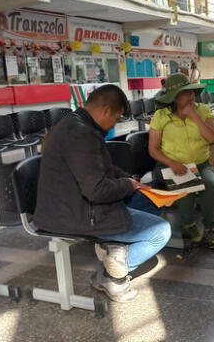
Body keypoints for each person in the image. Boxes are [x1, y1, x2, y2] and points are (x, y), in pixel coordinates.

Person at [35, 85, 171, 303]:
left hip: (76, 204)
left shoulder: (79, 125)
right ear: (106, 110)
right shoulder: (80, 135)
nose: (114, 124)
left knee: (151, 200)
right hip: (74, 214)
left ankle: (115, 248)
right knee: (160, 232)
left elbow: (104, 168)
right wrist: (127, 185)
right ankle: (112, 277)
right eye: (116, 118)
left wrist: (132, 182)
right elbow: (96, 190)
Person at [149, 73, 214, 250]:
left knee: (210, 186)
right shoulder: (161, 116)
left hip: (201, 163)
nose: (190, 96)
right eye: (185, 93)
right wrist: (173, 163)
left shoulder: (203, 110)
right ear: (175, 98)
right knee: (187, 186)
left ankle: (210, 229)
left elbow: (212, 138)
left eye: (191, 93)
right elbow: (153, 149)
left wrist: (194, 116)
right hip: (169, 164)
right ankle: (189, 225)